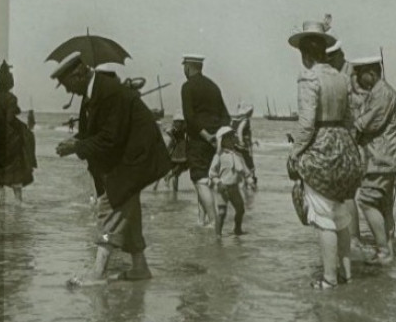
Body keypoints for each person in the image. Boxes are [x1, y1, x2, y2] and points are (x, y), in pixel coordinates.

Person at [52, 52, 173, 286]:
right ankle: (140, 268)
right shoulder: (93, 94)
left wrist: (77, 145)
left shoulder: (108, 91)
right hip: (127, 154)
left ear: (79, 74)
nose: (67, 91)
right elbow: (93, 134)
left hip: (138, 156)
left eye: (67, 85)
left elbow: (110, 138)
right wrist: (75, 143)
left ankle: (98, 272)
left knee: (111, 205)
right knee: (128, 210)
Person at [287, 21, 366, 289]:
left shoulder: (308, 78)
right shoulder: (341, 77)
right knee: (341, 216)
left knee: (323, 219)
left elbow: (307, 123)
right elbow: (349, 120)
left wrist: (295, 153)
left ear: (305, 54)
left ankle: (329, 279)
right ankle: (346, 274)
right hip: (344, 147)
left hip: (320, 147)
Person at [349, 56, 396, 265]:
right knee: (384, 206)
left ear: (371, 73)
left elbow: (366, 124)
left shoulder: (382, 93)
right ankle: (388, 251)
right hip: (386, 158)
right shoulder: (379, 92)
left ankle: (383, 251)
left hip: (381, 158)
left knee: (365, 201)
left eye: (359, 73)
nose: (356, 77)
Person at [179, 53, 232, 228]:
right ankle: (202, 220)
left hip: (198, 140)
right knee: (208, 179)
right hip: (216, 141)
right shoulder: (214, 86)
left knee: (199, 179)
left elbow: (190, 117)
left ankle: (213, 221)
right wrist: (217, 136)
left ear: (187, 67)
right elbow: (226, 116)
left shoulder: (187, 87)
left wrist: (205, 135)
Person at [0, 61, 35, 206]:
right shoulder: (11, 98)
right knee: (16, 166)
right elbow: (10, 119)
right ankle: (18, 201)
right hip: (9, 139)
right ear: (10, 83)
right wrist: (22, 128)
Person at [209, 126, 250, 237]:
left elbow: (244, 170)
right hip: (222, 188)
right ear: (221, 141)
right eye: (229, 138)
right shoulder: (219, 156)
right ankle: (218, 235)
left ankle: (237, 229)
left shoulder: (238, 155)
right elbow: (212, 174)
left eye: (233, 137)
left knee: (240, 209)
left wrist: (249, 179)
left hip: (235, 188)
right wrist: (218, 182)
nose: (233, 140)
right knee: (222, 212)